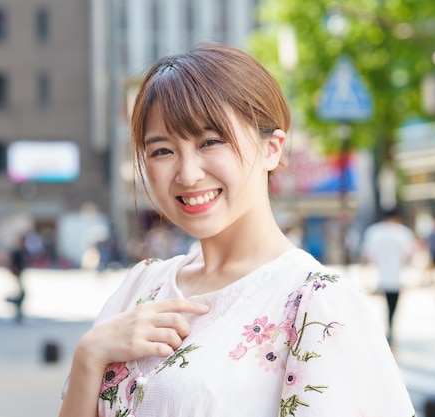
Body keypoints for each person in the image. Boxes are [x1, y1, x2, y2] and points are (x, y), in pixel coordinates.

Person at [59, 44, 415, 417]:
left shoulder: (314, 301)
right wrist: (90, 355)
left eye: (211, 142)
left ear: (271, 149)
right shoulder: (140, 286)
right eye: (162, 150)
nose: (188, 173)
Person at [361, 207, 417, 345]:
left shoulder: (374, 232)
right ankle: (390, 331)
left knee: (377, 308)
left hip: (378, 276)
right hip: (397, 277)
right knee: (393, 306)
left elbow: (367, 255)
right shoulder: (403, 232)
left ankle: (380, 333)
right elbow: (409, 254)